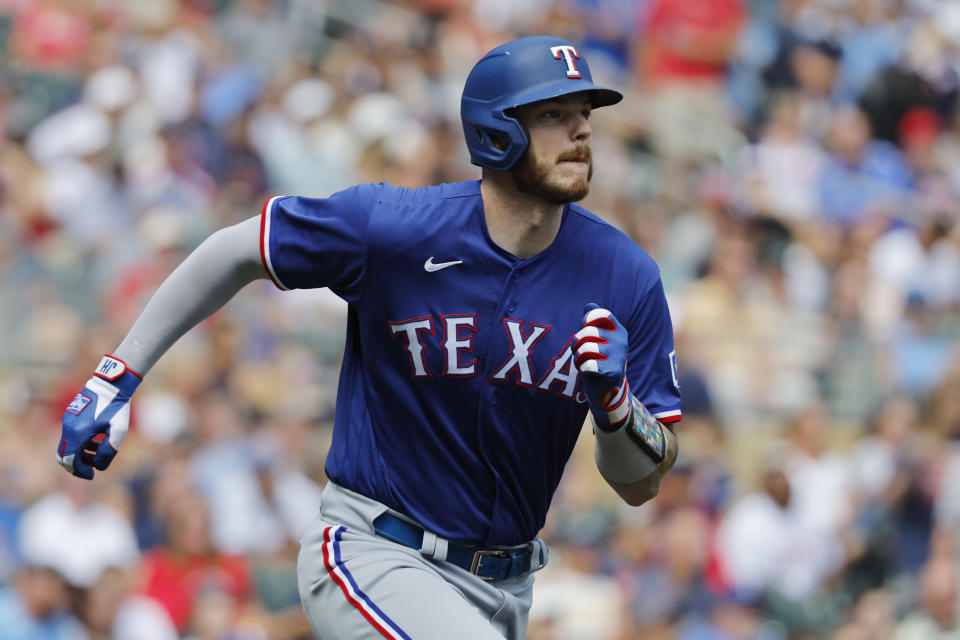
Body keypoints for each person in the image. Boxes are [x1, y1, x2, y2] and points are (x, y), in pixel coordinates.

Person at [57, 35, 683, 640]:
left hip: (505, 589)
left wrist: (614, 408)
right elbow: (237, 250)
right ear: (498, 133)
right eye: (554, 114)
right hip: (373, 550)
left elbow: (640, 484)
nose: (582, 130)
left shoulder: (626, 276)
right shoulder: (395, 228)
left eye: (584, 113)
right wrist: (119, 373)